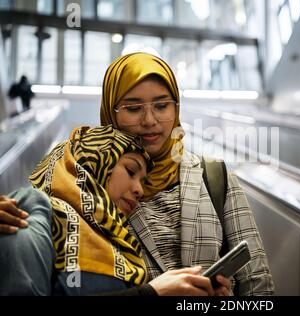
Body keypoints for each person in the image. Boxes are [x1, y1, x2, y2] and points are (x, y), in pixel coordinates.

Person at [0, 52, 275, 295]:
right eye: (133, 108)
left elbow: (258, 286)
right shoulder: (82, 184)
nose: (150, 120)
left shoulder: (214, 177)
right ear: (112, 111)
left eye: (162, 105)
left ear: (176, 107)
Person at [0, 125, 226, 296]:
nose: (139, 190)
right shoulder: (34, 207)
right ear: (94, 161)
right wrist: (152, 293)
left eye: (143, 182)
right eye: (130, 171)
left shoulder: (121, 245)